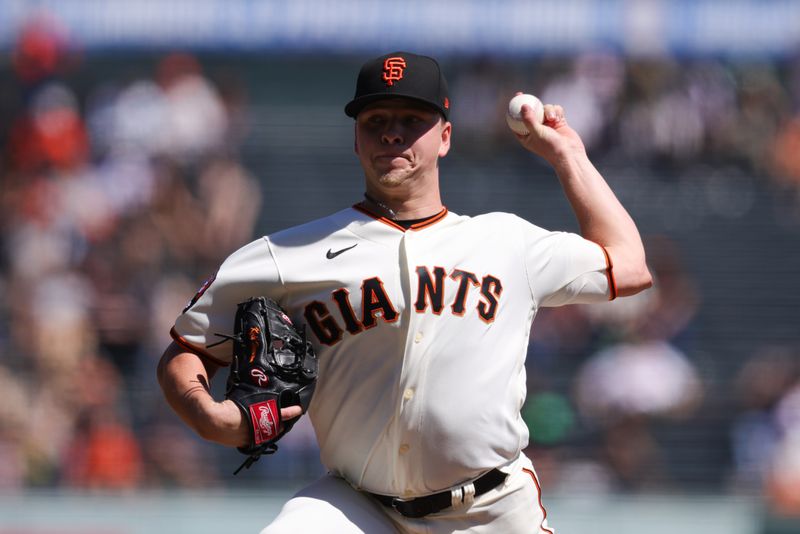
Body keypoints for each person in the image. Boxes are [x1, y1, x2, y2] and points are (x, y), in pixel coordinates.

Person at [157, 51, 652, 533]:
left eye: (412, 120)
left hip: (491, 510)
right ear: (356, 139)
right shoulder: (286, 254)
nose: (392, 132)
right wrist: (208, 415)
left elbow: (628, 265)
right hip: (356, 505)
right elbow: (185, 351)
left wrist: (566, 153)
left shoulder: (507, 242)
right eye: (375, 120)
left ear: (446, 138)